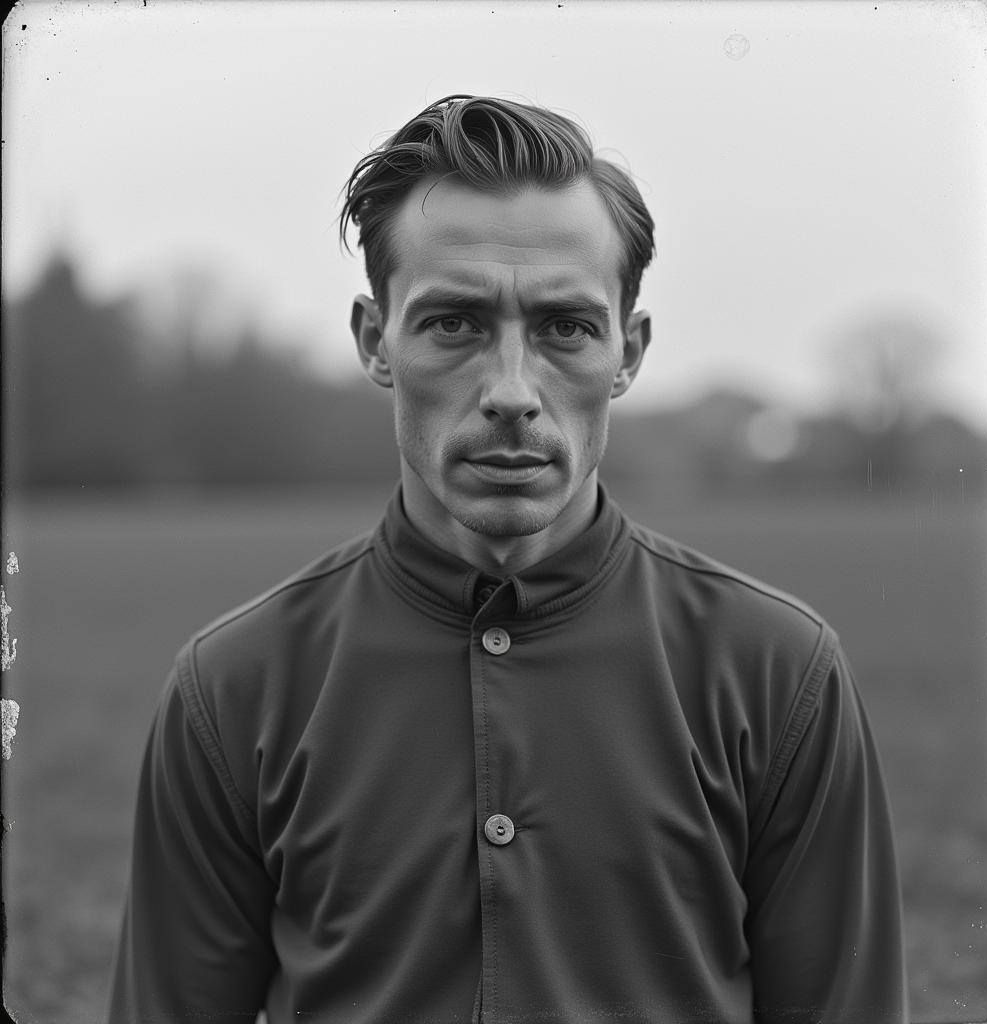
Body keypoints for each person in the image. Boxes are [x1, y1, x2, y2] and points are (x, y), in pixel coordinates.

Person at [108, 95, 908, 1024]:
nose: (512, 393)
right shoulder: (231, 686)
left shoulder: (780, 672)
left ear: (628, 352)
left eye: (566, 327)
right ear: (377, 342)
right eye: (455, 323)